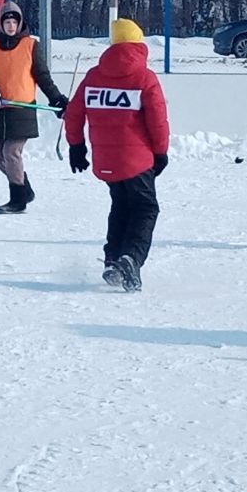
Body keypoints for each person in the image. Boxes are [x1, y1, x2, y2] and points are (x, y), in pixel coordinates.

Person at [64, 18, 169, 292]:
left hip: (107, 161)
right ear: (139, 45)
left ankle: (112, 260)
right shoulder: (145, 78)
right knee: (146, 208)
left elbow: (73, 114)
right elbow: (157, 120)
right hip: (138, 161)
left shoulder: (93, 76)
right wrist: (161, 153)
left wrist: (76, 146)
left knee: (121, 206)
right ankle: (131, 259)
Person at [0, 0, 69, 214]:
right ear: (0, 23)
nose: (10, 25)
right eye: (6, 20)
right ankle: (24, 188)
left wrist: (58, 100)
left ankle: (18, 200)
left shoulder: (30, 46)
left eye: (14, 21)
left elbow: (43, 77)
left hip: (22, 108)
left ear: (20, 23)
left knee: (11, 151)